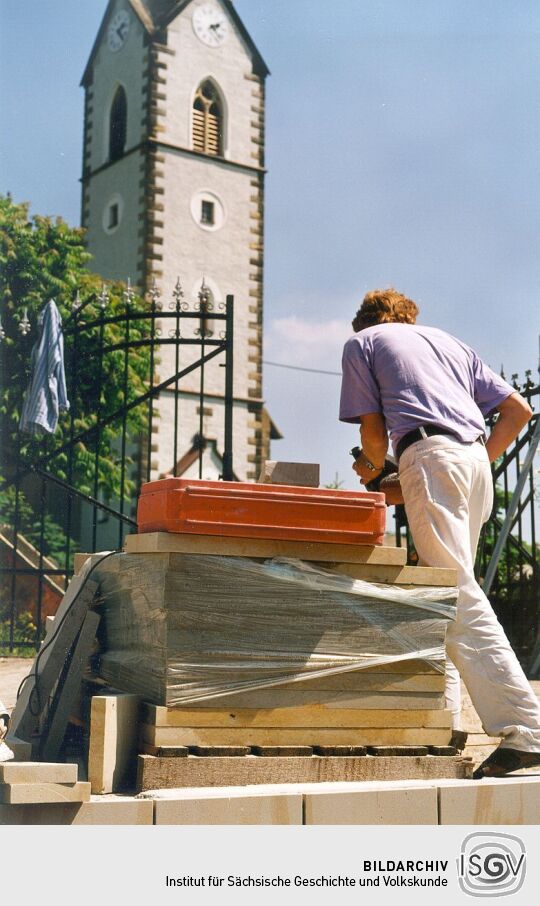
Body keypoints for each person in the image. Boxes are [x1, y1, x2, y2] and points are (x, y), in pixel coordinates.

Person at [339, 287, 540, 778]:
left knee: (453, 592)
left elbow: (372, 437)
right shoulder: (450, 343)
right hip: (473, 461)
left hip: (431, 455)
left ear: (364, 322)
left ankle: (527, 731)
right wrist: (450, 463)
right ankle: (445, 722)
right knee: (447, 592)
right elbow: (518, 412)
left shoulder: (363, 344)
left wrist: (370, 468)